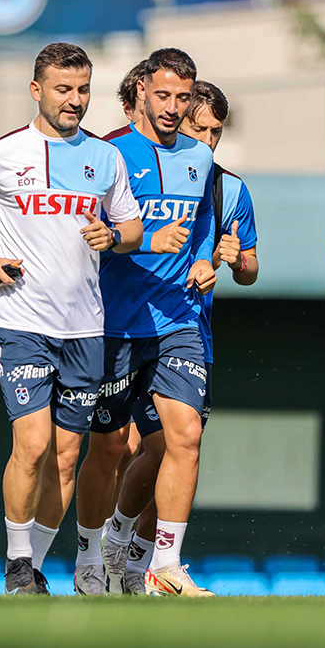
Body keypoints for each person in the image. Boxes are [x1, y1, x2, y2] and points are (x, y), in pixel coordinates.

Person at [0, 42, 143, 595]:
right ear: (37, 90)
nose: (74, 100)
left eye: (82, 89)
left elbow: (132, 228)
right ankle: (15, 563)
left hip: (86, 328)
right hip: (21, 320)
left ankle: (31, 565)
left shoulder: (106, 157)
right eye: (63, 89)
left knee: (67, 456)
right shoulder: (3, 153)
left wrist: (114, 235)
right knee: (32, 444)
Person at [103, 80, 260, 594]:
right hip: (123, 327)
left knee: (180, 443)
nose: (208, 140)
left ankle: (152, 566)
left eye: (217, 132)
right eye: (200, 129)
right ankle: (111, 544)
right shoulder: (127, 161)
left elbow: (249, 268)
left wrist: (233, 262)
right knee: (132, 449)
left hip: (188, 329)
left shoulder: (229, 189)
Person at [84, 47, 217, 597]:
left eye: (182, 98)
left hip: (178, 319)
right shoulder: (107, 153)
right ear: (141, 90)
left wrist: (203, 259)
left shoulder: (200, 157)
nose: (172, 107)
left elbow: (203, 222)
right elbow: (85, 235)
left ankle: (165, 563)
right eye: (163, 95)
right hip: (114, 323)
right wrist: (134, 239)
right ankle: (91, 555)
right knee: (110, 448)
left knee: (186, 435)